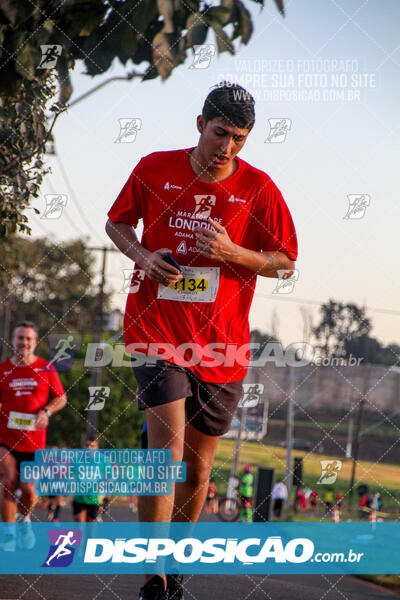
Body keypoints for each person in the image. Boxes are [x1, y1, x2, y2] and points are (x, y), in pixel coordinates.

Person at [106, 82, 298, 600]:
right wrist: (143, 257)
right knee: (164, 453)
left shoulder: (260, 189)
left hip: (221, 344)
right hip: (156, 331)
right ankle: (153, 578)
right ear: (199, 125)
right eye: (220, 133)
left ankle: (176, 563)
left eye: (239, 138)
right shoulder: (154, 168)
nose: (228, 147)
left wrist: (237, 253)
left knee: (198, 469)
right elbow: (117, 223)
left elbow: (285, 262)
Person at [0, 321, 67, 551]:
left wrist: (47, 411)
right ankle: (7, 534)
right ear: (13, 340)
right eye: (20, 338)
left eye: (28, 339)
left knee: (29, 490)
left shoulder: (46, 368)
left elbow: (62, 398)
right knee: (8, 480)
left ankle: (24, 520)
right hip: (6, 438)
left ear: (35, 342)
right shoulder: (3, 370)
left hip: (34, 443)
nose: (24, 343)